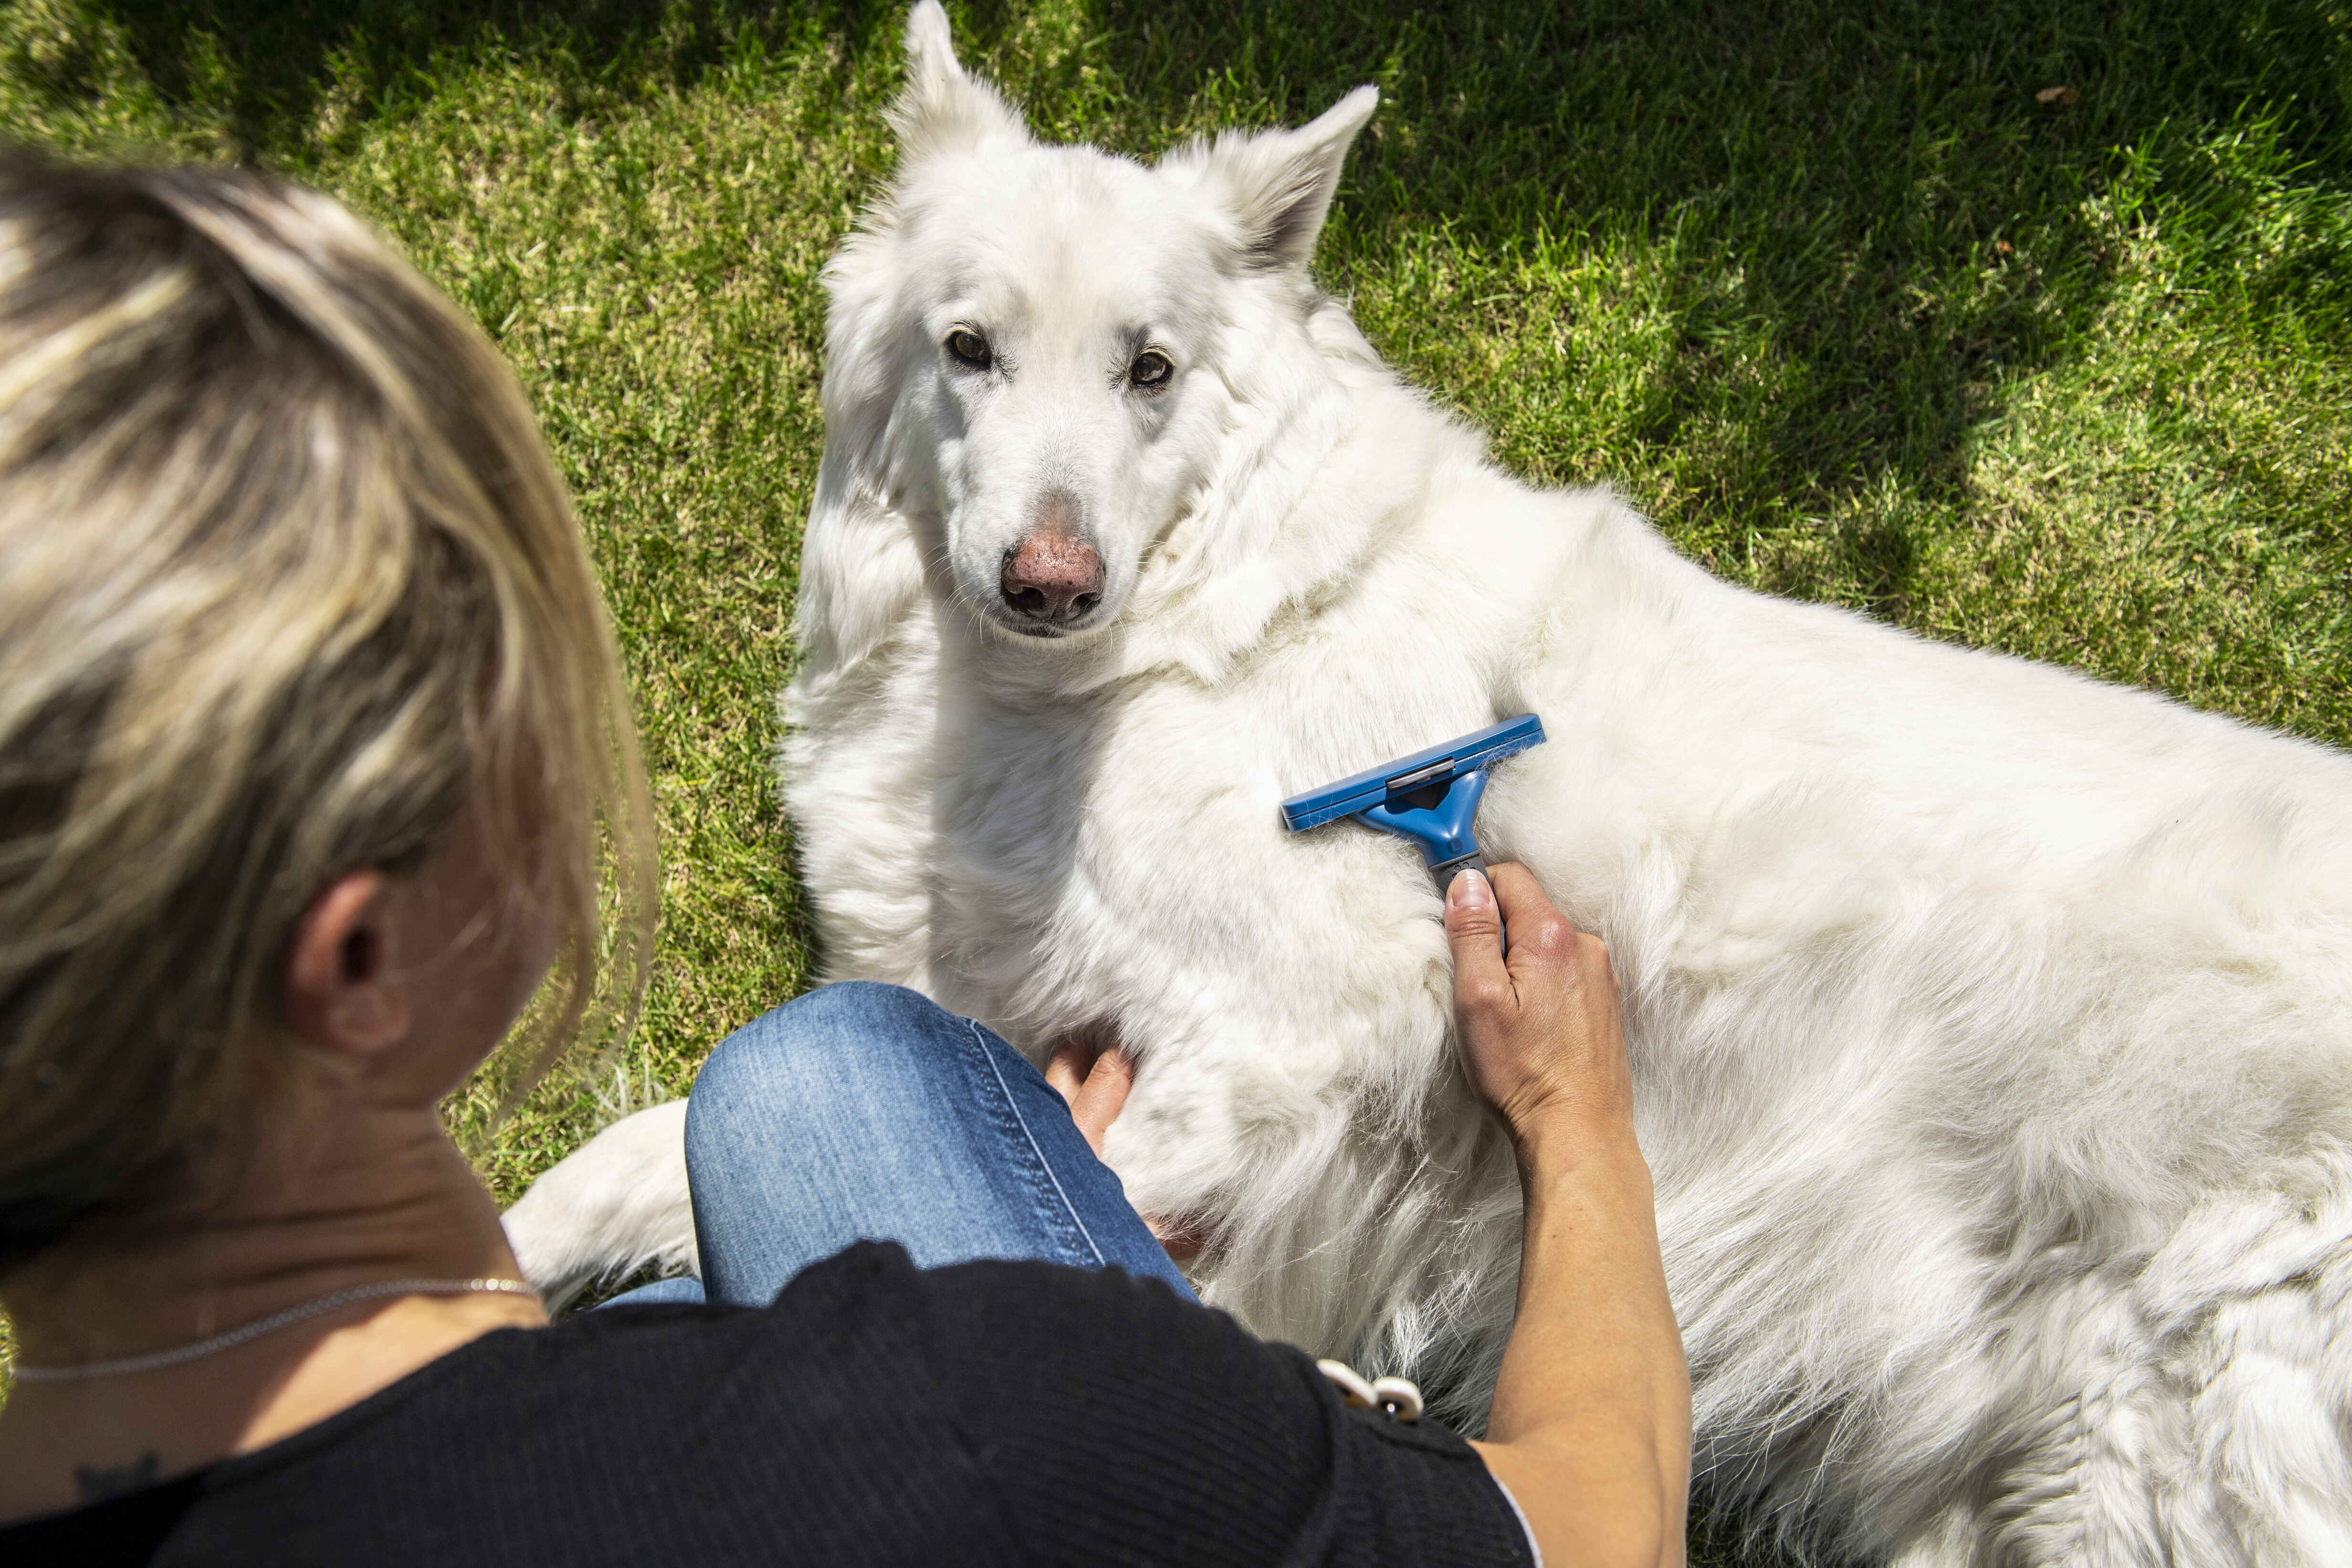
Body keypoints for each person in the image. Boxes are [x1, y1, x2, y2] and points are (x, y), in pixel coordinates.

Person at [0, 154, 1691, 1566]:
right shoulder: (989, 1424)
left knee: (824, 1079)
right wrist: (1576, 1121)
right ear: (357, 964)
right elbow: (1599, 1533)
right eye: (510, 690)